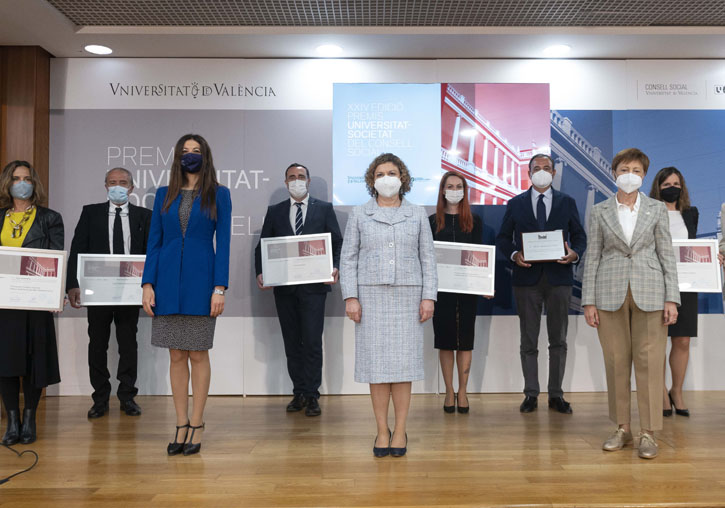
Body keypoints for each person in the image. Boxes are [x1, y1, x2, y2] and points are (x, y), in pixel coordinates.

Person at [582, 148, 679, 460]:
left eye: (636, 170)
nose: (630, 174)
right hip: (608, 292)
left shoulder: (656, 209)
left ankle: (648, 432)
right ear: (614, 173)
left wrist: (671, 298)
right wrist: (588, 302)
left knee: (650, 363)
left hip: (651, 291)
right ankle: (622, 427)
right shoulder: (599, 211)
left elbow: (667, 254)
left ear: (643, 175)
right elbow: (592, 257)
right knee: (616, 362)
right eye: (624, 168)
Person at [340, 152, 437, 458]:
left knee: (403, 367)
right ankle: (382, 430)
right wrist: (351, 296)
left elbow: (428, 259)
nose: (386, 178)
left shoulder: (418, 213)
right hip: (371, 298)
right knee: (377, 368)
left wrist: (428, 296)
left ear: (403, 178)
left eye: (392, 172)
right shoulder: (359, 214)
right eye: (380, 173)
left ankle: (401, 429)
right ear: (372, 180)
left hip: (409, 297)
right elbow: (349, 258)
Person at [141, 134, 231, 456]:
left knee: (197, 353)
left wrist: (219, 287)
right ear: (177, 157)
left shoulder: (219, 194)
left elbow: (225, 245)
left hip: (201, 283)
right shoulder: (164, 194)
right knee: (176, 355)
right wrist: (148, 283)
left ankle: (196, 421)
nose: (190, 156)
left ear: (204, 156)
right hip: (166, 283)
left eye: (196, 151)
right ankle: (180, 423)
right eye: (185, 151)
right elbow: (154, 241)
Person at [495, 154, 586, 414]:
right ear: (528, 173)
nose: (542, 172)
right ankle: (531, 394)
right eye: (537, 168)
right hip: (526, 279)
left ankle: (556, 395)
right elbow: (503, 238)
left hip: (559, 278)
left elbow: (579, 236)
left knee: (559, 340)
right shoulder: (515, 204)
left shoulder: (567, 203)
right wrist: (514, 255)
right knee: (528, 340)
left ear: (554, 173)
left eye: (547, 168)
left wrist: (574, 254)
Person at [254, 163, 342, 417]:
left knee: (313, 342)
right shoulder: (275, 211)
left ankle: (313, 395)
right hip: (285, 290)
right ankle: (299, 392)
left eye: (301, 177)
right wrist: (261, 271)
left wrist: (334, 266)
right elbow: (263, 246)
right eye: (291, 177)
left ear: (309, 180)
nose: (296, 181)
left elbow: (336, 241)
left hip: (314, 288)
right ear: (285, 183)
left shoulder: (324, 209)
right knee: (292, 342)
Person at [67, 168, 152, 419]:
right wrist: (72, 285)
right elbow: (77, 249)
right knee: (97, 345)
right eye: (113, 182)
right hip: (98, 292)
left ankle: (127, 396)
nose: (118, 186)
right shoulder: (90, 213)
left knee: (128, 344)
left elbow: (151, 254)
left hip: (130, 292)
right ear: (105, 186)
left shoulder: (144, 216)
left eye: (123, 182)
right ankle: (100, 398)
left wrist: (151, 285)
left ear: (132, 188)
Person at [0, 160, 64, 445]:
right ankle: (12, 422)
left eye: (26, 178)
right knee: (6, 362)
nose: (21, 183)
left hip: (36, 302)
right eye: (16, 178)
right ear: (8, 183)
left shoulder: (50, 218)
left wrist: (54, 293)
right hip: (4, 305)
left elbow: (55, 260)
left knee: (34, 361)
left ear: (34, 183)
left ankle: (30, 419)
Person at [429, 171, 483, 414]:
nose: (454, 190)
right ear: (442, 190)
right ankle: (449, 390)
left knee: (465, 342)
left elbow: (482, 258)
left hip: (468, 290)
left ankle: (463, 391)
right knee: (446, 342)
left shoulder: (475, 221)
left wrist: (484, 284)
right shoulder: (431, 221)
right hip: (441, 292)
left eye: (458, 186)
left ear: (465, 190)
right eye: (449, 186)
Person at [649, 167, 697, 418]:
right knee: (656, 342)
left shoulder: (691, 213)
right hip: (655, 284)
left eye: (676, 183)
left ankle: (676, 391)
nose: (672, 187)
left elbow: (695, 247)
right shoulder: (648, 212)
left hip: (686, 284)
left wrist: (713, 257)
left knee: (682, 340)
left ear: (682, 186)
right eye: (666, 183)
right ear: (658, 187)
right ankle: (659, 392)